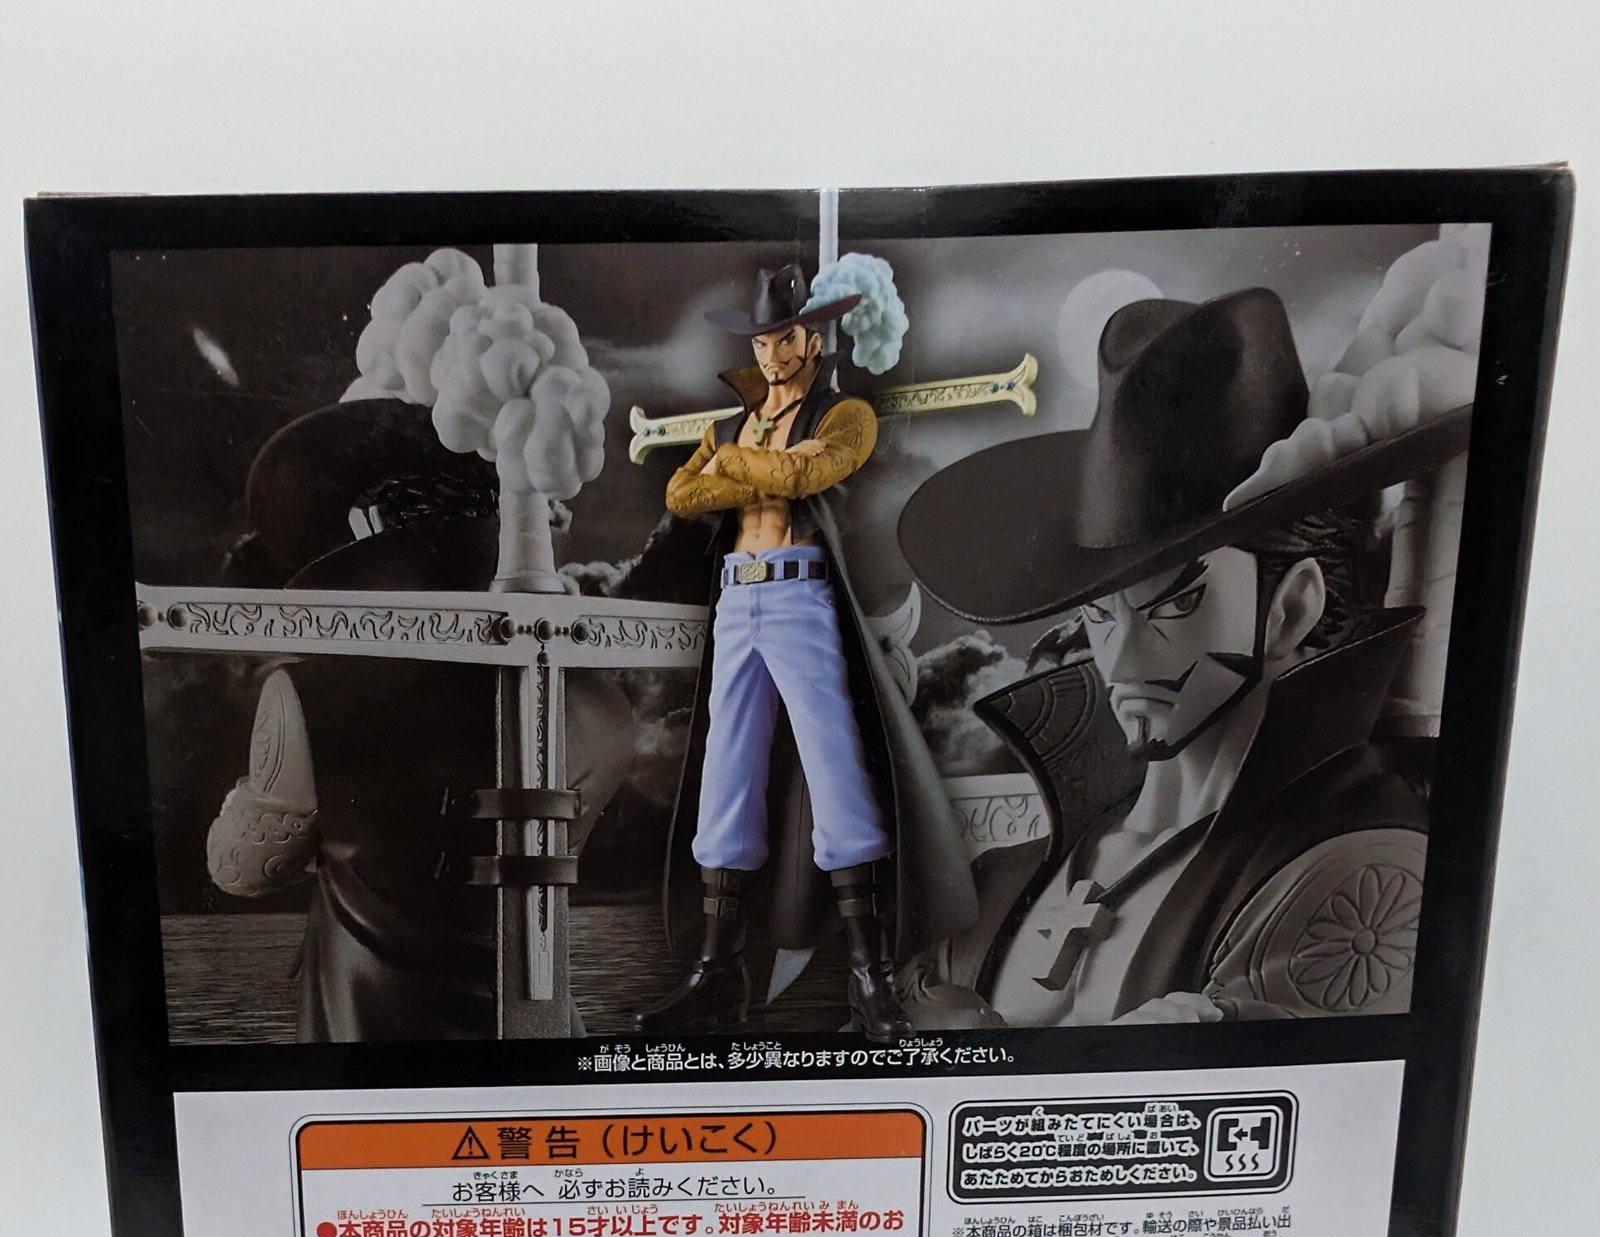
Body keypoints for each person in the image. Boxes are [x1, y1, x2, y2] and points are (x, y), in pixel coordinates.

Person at [898, 286, 1471, 1023]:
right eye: (1099, 613)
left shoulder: (1365, 872)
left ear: (1291, 606)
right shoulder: (1003, 881)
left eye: (1175, 604)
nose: (1121, 658)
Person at [205, 395, 631, 1040]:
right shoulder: (603, 698)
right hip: (539, 1020)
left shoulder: (310, 691)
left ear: (371, 531)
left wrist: (254, 802)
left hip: (379, 1022)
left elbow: (243, 868)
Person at [634, 264, 975, 1037]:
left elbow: (809, 472)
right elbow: (682, 495)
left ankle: (869, 975)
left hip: (800, 595)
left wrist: (733, 465)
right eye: (760, 342)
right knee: (726, 778)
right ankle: (717, 973)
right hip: (737, 599)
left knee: (835, 774)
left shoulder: (843, 413)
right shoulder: (735, 425)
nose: (771, 354)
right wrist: (745, 467)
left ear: (812, 337)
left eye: (783, 339)